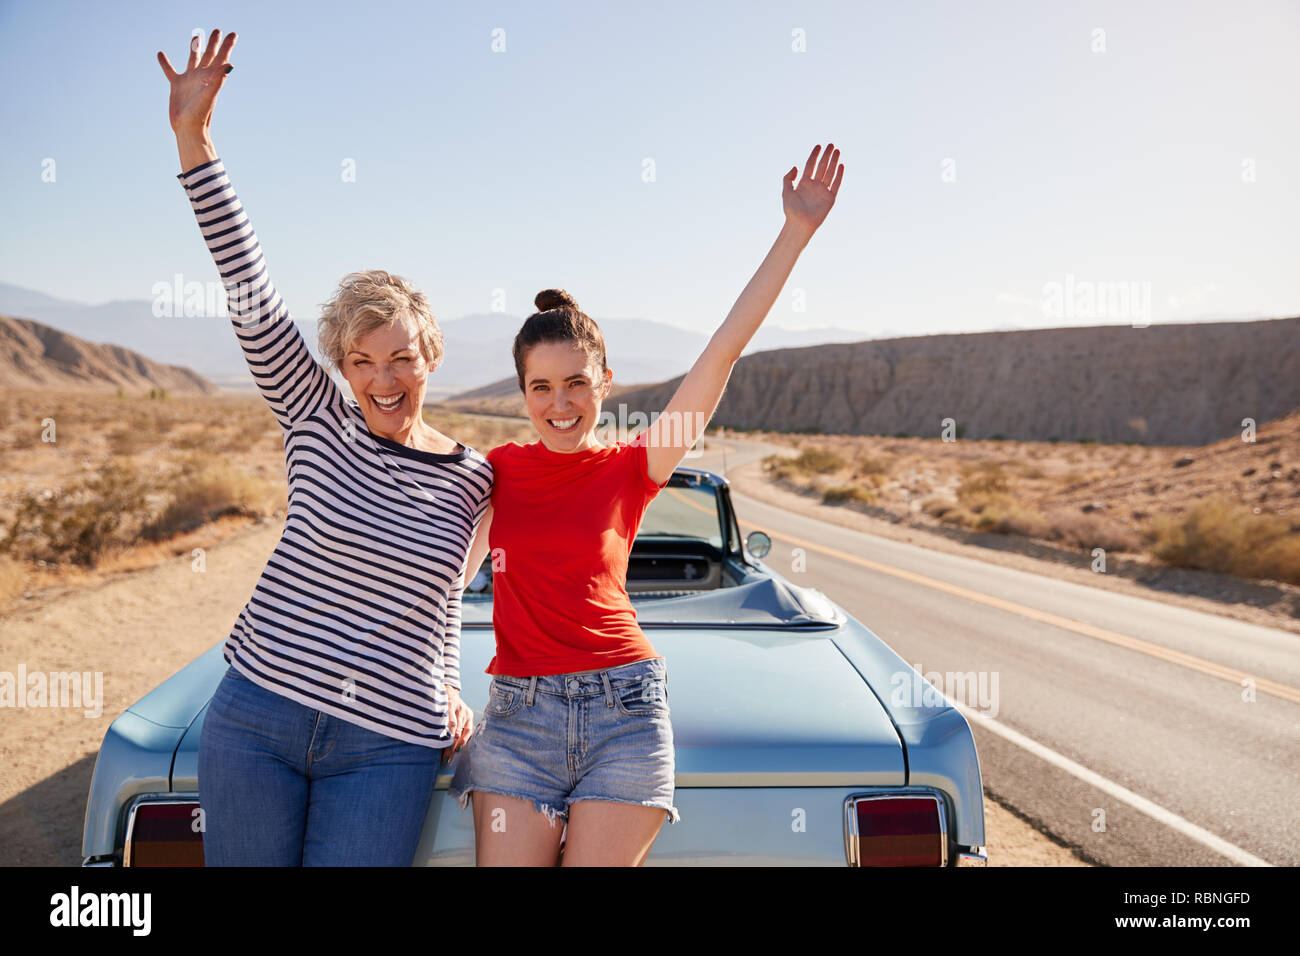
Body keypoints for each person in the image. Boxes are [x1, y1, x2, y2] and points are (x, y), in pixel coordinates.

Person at [449, 142, 845, 865]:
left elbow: (721, 352)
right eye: (541, 387)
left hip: (623, 713)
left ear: (605, 382)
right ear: (522, 393)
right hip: (517, 719)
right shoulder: (494, 471)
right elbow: (438, 580)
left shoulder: (636, 465)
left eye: (576, 383)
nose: (559, 403)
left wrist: (796, 231)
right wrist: (438, 682)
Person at [157, 29, 491, 865]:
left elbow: (444, 597)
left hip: (389, 745)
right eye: (362, 361)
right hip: (257, 718)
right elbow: (253, 294)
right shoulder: (314, 414)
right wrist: (195, 142)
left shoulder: (475, 479)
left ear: (432, 357)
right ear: (342, 366)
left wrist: (450, 686)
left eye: (402, 358)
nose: (383, 380)